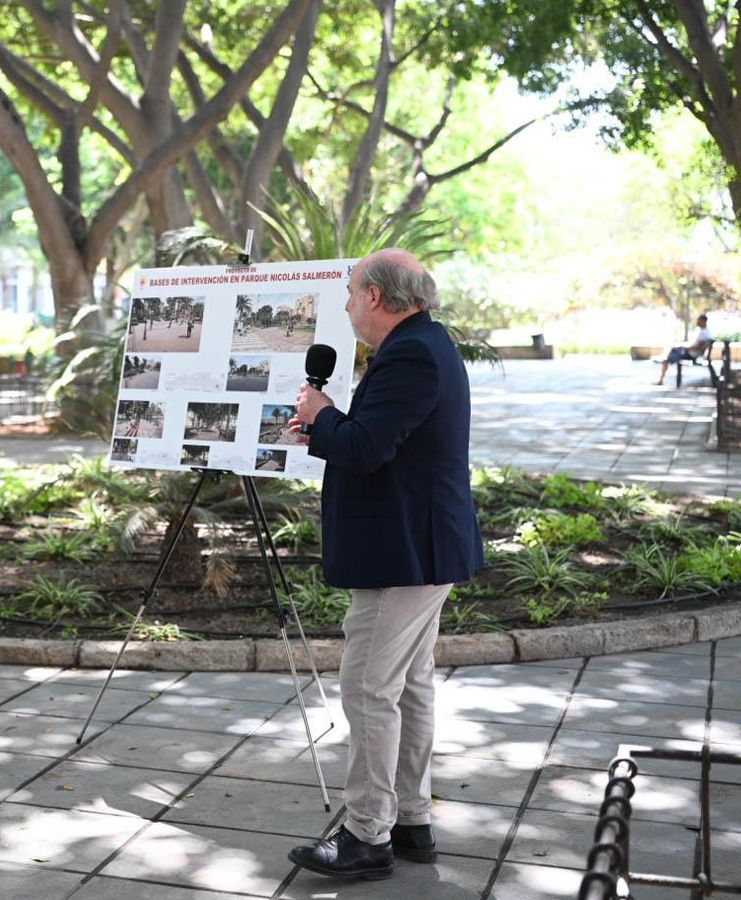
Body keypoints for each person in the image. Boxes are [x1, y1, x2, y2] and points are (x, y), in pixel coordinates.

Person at [284, 248, 484, 881]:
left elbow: (368, 448)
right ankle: (410, 820)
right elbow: (382, 443)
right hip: (414, 544)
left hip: (407, 550)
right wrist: (322, 428)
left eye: (349, 293)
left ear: (374, 296)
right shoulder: (423, 346)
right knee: (411, 683)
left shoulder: (413, 353)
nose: (345, 305)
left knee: (369, 686)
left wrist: (322, 418)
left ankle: (367, 833)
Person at [655, 313, 714, 385]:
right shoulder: (704, 332)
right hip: (690, 353)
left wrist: (686, 348)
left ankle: (661, 379)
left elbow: (698, 348)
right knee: (672, 348)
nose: (697, 322)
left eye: (699, 320)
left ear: (704, 321)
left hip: (691, 354)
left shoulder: (704, 334)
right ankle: (663, 361)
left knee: (667, 358)